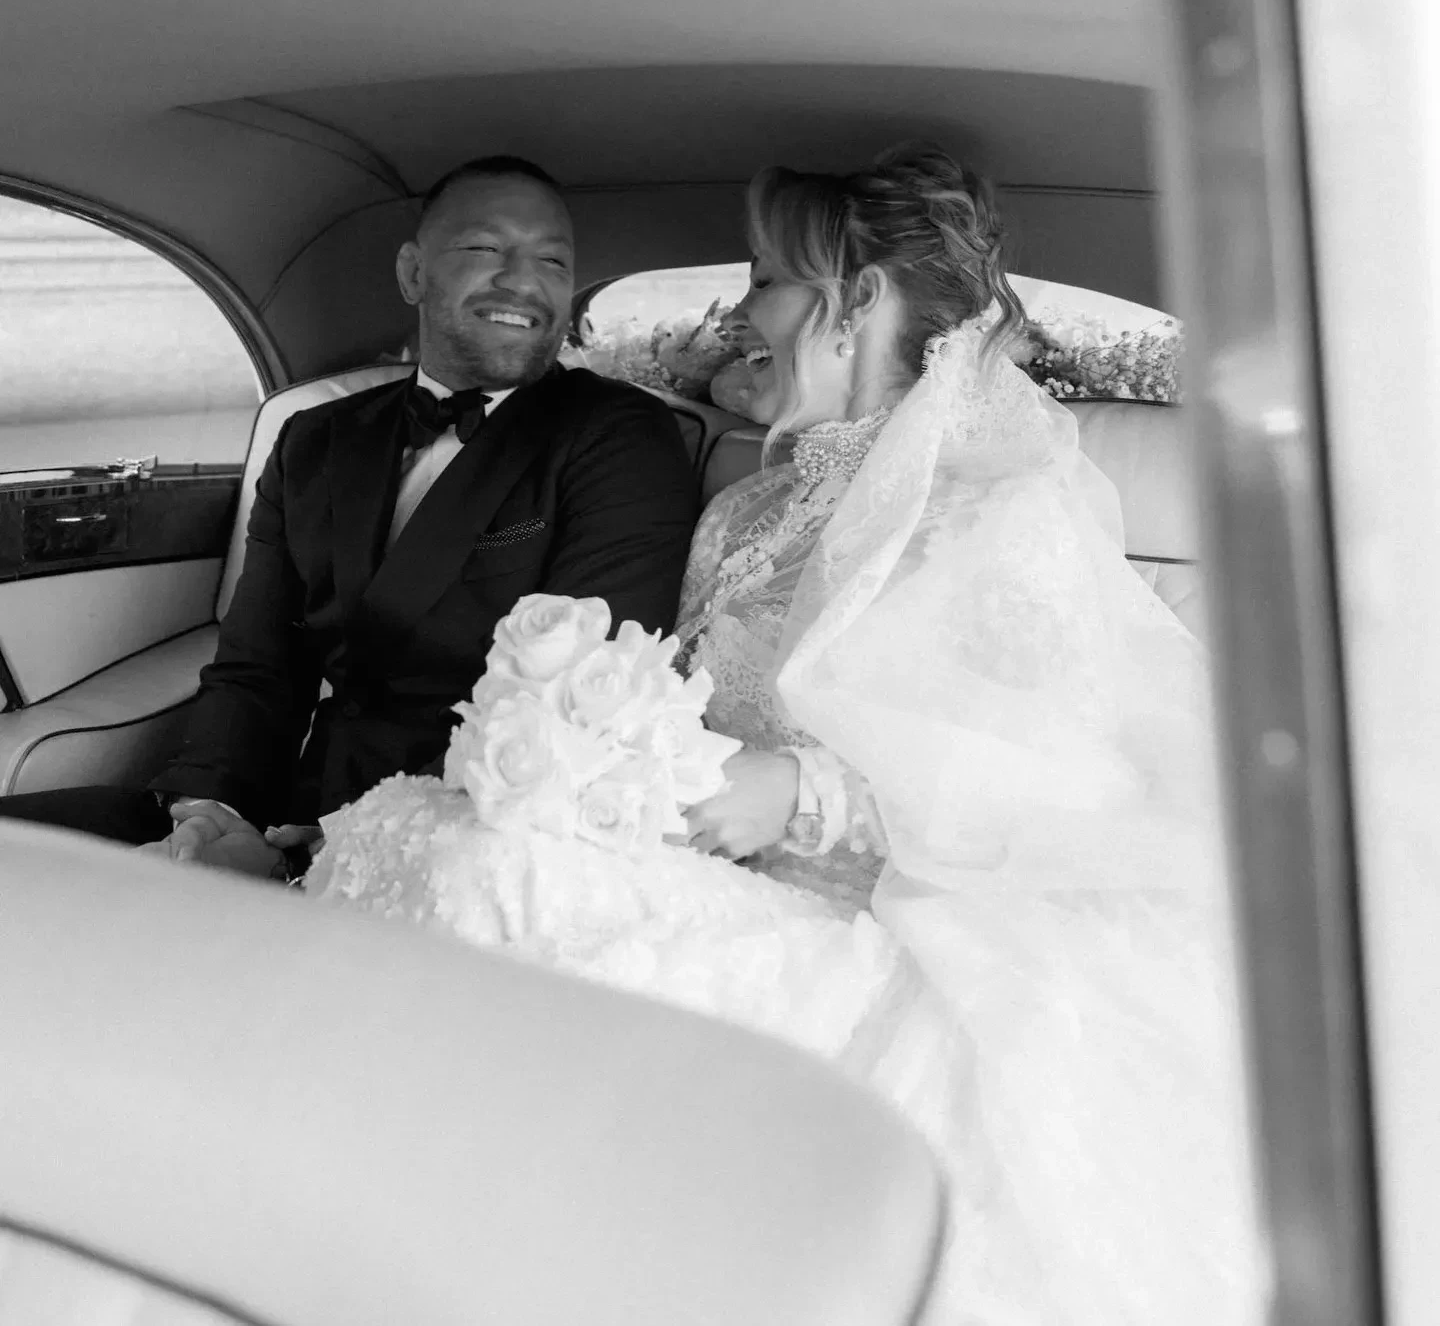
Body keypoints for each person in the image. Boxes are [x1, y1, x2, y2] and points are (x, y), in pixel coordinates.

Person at [671, 144, 1256, 1322]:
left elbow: (1055, 787)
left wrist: (800, 794)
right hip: (690, 878)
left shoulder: (1005, 511)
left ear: (855, 301)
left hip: (888, 925)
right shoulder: (741, 509)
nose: (739, 313)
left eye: (766, 279)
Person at [0, 156, 697, 875]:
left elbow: (579, 709)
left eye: (552, 260)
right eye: (486, 248)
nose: (523, 281)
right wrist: (208, 812)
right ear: (413, 273)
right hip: (273, 805)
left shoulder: (618, 435)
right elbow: (258, 662)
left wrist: (336, 848)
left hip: (451, 843)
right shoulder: (316, 437)